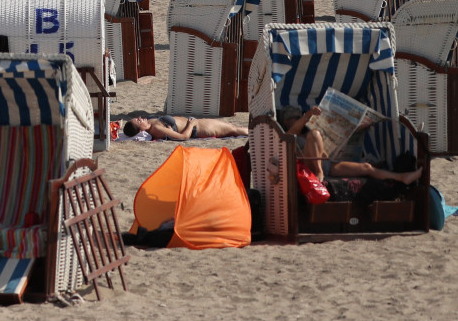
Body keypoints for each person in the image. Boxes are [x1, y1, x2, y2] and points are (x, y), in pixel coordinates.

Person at [278, 106, 422, 184]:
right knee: (315, 134)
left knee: (367, 168)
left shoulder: (306, 133)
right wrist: (307, 115)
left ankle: (402, 178)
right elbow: (293, 131)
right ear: (285, 121)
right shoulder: (287, 136)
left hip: (328, 165)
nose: (298, 119)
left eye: (299, 116)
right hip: (310, 166)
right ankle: (318, 173)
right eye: (294, 118)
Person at [123, 115, 248, 140]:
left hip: (197, 123)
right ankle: (259, 133)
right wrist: (191, 124)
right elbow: (184, 137)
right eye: (138, 121)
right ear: (141, 130)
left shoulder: (150, 123)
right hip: (198, 129)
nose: (140, 117)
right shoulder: (156, 129)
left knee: (232, 127)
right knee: (233, 130)